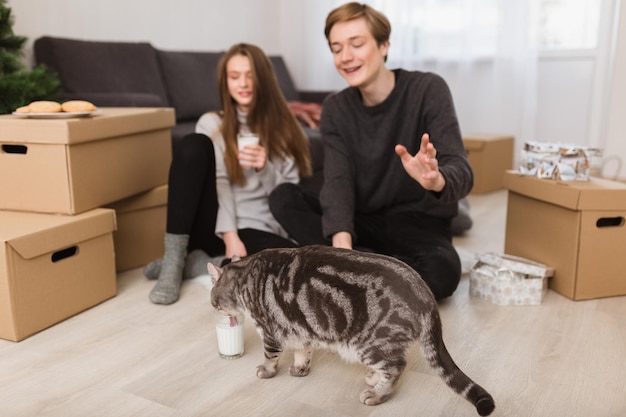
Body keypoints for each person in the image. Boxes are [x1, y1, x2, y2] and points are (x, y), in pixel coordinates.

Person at [269, 2, 473, 301]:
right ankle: (362, 267)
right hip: (364, 221)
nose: (345, 57)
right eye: (336, 48)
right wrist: (343, 248)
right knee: (283, 197)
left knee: (443, 274)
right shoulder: (336, 108)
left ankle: (351, 274)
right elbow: (337, 182)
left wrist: (436, 180)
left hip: (418, 223)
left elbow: (462, 170)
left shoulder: (428, 89)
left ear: (384, 45)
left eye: (357, 44)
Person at [147, 43, 312, 305]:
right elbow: (220, 182)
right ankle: (174, 260)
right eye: (234, 77)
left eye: (250, 76)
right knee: (193, 144)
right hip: (218, 227)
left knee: (292, 268)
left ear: (264, 79)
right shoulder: (213, 122)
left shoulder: (286, 129)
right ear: (225, 82)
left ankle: (199, 265)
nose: (243, 84)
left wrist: (264, 166)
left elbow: (290, 197)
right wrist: (230, 235)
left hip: (259, 228)